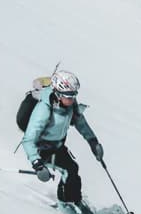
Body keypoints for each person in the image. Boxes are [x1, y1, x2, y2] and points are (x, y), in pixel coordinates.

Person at [21, 69, 104, 205]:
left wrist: (93, 142)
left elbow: (80, 123)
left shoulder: (70, 105)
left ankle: (76, 201)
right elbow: (28, 140)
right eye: (68, 95)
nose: (72, 99)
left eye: (73, 95)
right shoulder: (44, 109)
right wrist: (37, 164)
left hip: (58, 147)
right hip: (42, 149)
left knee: (73, 169)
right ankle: (66, 203)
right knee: (68, 171)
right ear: (58, 94)